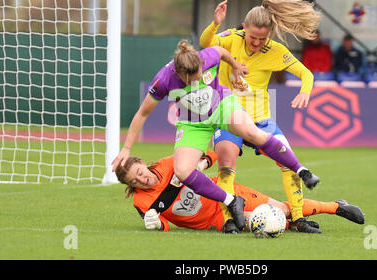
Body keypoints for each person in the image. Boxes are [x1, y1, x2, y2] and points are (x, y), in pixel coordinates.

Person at [112, 40, 319, 233]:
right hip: (193, 123)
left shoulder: (207, 56)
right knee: (183, 171)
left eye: (200, 75)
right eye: (191, 79)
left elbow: (221, 52)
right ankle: (231, 200)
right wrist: (127, 148)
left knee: (252, 132)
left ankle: (302, 170)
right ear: (178, 72)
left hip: (221, 105)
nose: (198, 80)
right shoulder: (164, 79)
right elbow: (142, 113)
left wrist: (235, 65)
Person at [199, 0, 322, 234]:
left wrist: (305, 92)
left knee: (289, 164)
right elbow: (206, 43)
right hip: (228, 119)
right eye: (252, 37)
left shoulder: (275, 51)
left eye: (262, 39)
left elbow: (306, 74)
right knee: (226, 165)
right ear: (244, 27)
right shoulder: (230, 39)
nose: (256, 42)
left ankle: (297, 219)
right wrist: (215, 24)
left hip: (262, 121)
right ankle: (229, 220)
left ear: (269, 35)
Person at [114, 151, 365, 233]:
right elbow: (166, 226)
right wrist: (156, 225)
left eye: (139, 171)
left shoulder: (170, 163)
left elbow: (212, 154)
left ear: (142, 164)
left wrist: (200, 164)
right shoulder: (142, 202)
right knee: (267, 224)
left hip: (228, 193)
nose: (142, 179)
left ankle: (336, 206)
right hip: (214, 221)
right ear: (131, 186)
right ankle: (295, 225)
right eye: (135, 180)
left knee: (284, 210)